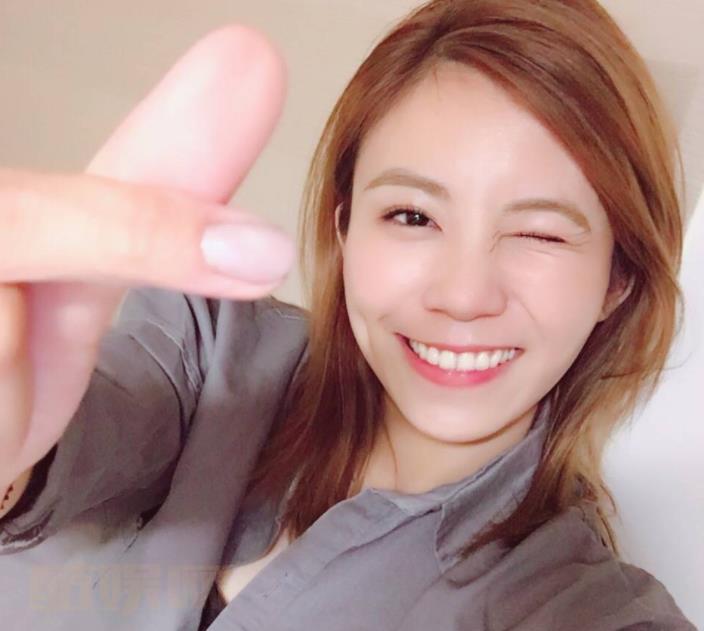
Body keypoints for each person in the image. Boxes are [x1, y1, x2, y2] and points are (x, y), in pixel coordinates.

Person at [0, 1, 697, 629]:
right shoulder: (209, 348)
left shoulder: (578, 607)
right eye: (413, 216)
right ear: (345, 229)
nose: (463, 295)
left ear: (617, 281)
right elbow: (88, 422)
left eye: (540, 233)